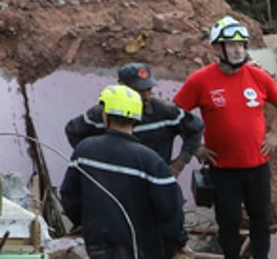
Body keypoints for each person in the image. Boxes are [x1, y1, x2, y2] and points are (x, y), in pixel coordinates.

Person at [176, 16, 277, 259]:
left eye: (241, 44)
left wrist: (275, 135)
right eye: (231, 45)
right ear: (217, 49)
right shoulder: (201, 81)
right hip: (223, 167)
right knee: (228, 219)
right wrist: (196, 147)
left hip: (257, 164)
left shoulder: (257, 76)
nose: (238, 49)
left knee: (261, 215)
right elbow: (177, 113)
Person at [59, 83, 186, 259]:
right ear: (136, 119)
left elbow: (69, 196)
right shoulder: (150, 161)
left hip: (98, 244)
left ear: (105, 117)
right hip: (142, 253)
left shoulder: (85, 150)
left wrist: (87, 224)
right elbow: (170, 211)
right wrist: (176, 245)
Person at [65, 62, 203, 175]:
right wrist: (94, 163)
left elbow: (195, 128)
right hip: (116, 184)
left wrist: (180, 162)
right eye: (140, 90)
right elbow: (73, 131)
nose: (146, 96)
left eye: (149, 89)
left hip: (154, 182)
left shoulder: (164, 111)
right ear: (122, 87)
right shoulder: (102, 113)